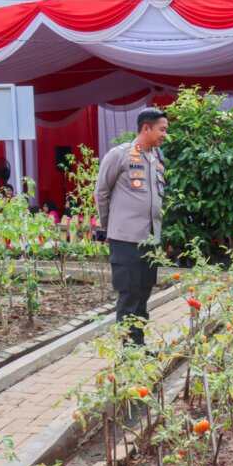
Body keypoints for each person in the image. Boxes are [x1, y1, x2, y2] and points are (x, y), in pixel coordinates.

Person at [95, 108, 168, 346]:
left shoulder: (157, 158)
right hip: (125, 239)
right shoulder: (120, 155)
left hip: (150, 240)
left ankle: (139, 345)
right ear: (146, 128)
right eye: (162, 129)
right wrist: (109, 227)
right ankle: (128, 351)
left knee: (144, 295)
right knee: (129, 295)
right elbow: (101, 193)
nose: (164, 134)